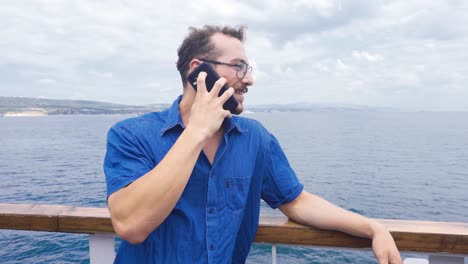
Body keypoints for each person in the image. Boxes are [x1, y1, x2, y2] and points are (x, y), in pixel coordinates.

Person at [104, 25, 402, 264]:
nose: (250, 80)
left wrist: (372, 228)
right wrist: (196, 131)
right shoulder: (131, 135)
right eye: (239, 67)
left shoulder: (254, 138)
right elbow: (131, 225)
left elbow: (296, 201)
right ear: (198, 70)